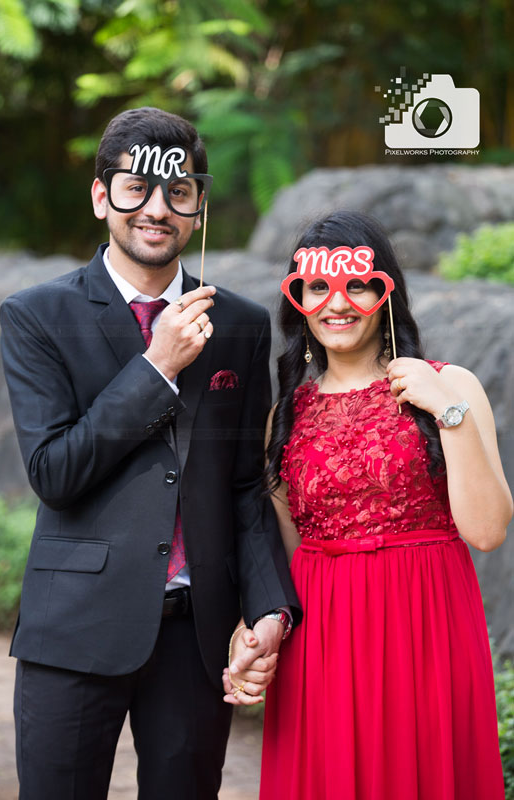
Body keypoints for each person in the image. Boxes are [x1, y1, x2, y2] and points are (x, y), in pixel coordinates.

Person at [0, 106, 299, 800]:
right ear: (103, 196)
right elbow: (55, 472)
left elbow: (245, 488)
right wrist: (155, 367)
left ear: (198, 206)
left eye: (179, 191)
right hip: (73, 632)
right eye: (137, 188)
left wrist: (269, 608)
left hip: (193, 640)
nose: (157, 209)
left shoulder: (241, 326)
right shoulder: (37, 315)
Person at [229, 210, 511, 799]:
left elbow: (486, 531)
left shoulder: (451, 385)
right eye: (318, 286)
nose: (339, 302)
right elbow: (281, 553)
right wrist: (257, 627)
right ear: (298, 299)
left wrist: (446, 412)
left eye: (357, 283)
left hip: (428, 630)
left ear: (385, 292)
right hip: (323, 642)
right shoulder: (286, 416)